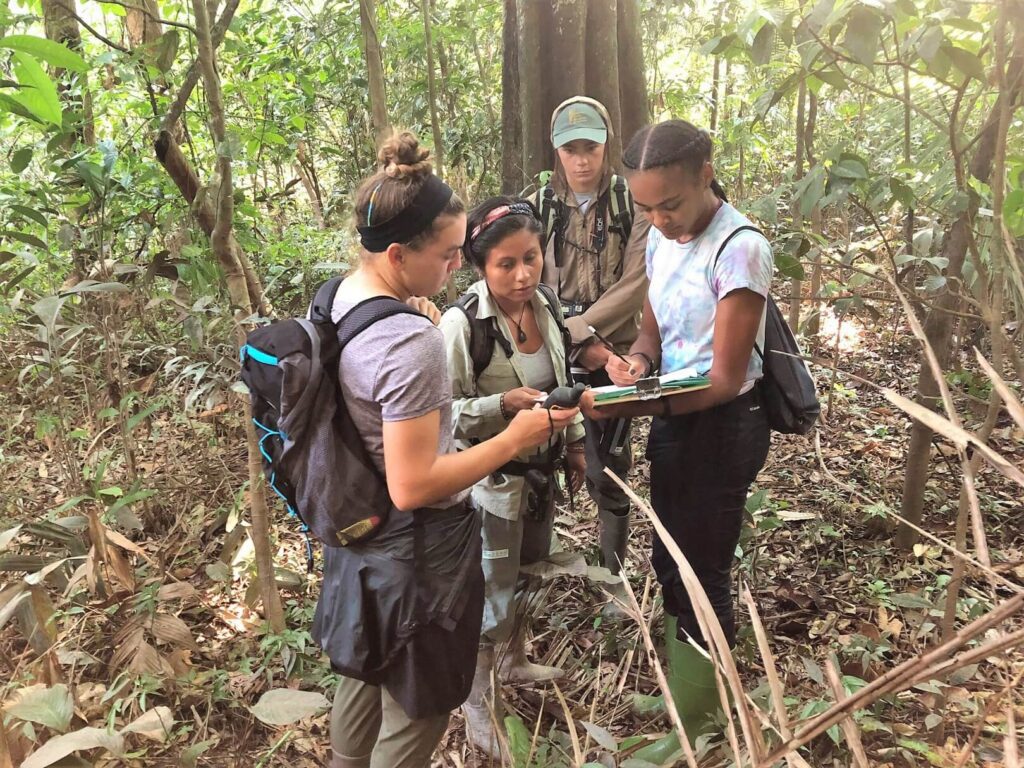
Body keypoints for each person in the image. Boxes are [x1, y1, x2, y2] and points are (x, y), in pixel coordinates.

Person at [313, 132, 578, 768]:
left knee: (364, 674)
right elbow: (415, 482)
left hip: (358, 532)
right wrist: (513, 438)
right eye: (450, 254)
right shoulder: (412, 341)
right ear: (400, 253)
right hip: (412, 550)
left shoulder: (343, 296)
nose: (458, 268)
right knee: (419, 709)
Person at [580, 119, 773, 746]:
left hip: (722, 425)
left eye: (672, 204)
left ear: (706, 177)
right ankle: (689, 690)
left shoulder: (738, 248)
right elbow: (654, 332)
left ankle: (705, 721)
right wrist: (635, 365)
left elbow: (723, 378)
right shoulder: (661, 241)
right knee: (670, 558)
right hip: (671, 416)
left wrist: (634, 407)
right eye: (645, 207)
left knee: (701, 566)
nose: (659, 219)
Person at [439, 197, 587, 757]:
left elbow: (564, 386)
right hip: (490, 487)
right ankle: (479, 708)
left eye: (532, 257)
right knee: (487, 594)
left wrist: (573, 450)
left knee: (528, 573)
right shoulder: (461, 326)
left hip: (540, 478)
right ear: (480, 266)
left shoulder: (546, 306)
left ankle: (516, 661)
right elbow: (437, 415)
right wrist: (500, 405)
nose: (523, 275)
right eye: (507, 264)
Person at [530, 96, 650, 616]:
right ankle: (534, 570)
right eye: (571, 149)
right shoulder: (537, 204)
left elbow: (638, 279)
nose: (582, 160)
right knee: (534, 456)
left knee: (610, 465)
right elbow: (526, 278)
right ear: (557, 151)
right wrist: (568, 332)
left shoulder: (633, 202)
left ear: (607, 147)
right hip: (548, 343)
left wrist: (585, 329)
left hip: (614, 349)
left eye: (591, 148)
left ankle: (613, 578)